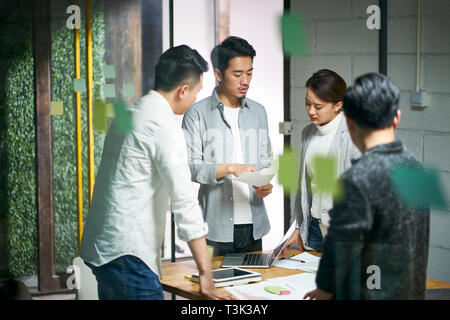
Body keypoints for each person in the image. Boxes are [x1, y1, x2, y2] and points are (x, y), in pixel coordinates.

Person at [79, 45, 233, 300]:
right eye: (196, 91)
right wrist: (206, 274)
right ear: (183, 90)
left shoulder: (126, 115)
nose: (196, 98)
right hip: (128, 255)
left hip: (104, 251)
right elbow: (184, 202)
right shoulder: (164, 127)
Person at [305, 72, 430, 300]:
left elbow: (338, 251)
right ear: (397, 118)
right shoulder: (416, 170)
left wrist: (326, 291)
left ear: (349, 121)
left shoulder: (358, 178)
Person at [182, 36, 273, 257]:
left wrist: (265, 184)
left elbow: (266, 161)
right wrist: (232, 168)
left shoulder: (259, 112)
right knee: (217, 290)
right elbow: (191, 168)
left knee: (252, 288)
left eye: (250, 73)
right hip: (215, 227)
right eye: (238, 74)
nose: (245, 81)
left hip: (254, 226)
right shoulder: (197, 114)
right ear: (218, 74)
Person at [285, 69, 360, 253]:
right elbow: (303, 187)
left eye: (318, 107)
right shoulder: (308, 133)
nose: (311, 111)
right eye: (307, 103)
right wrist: (297, 227)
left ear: (338, 105)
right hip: (314, 230)